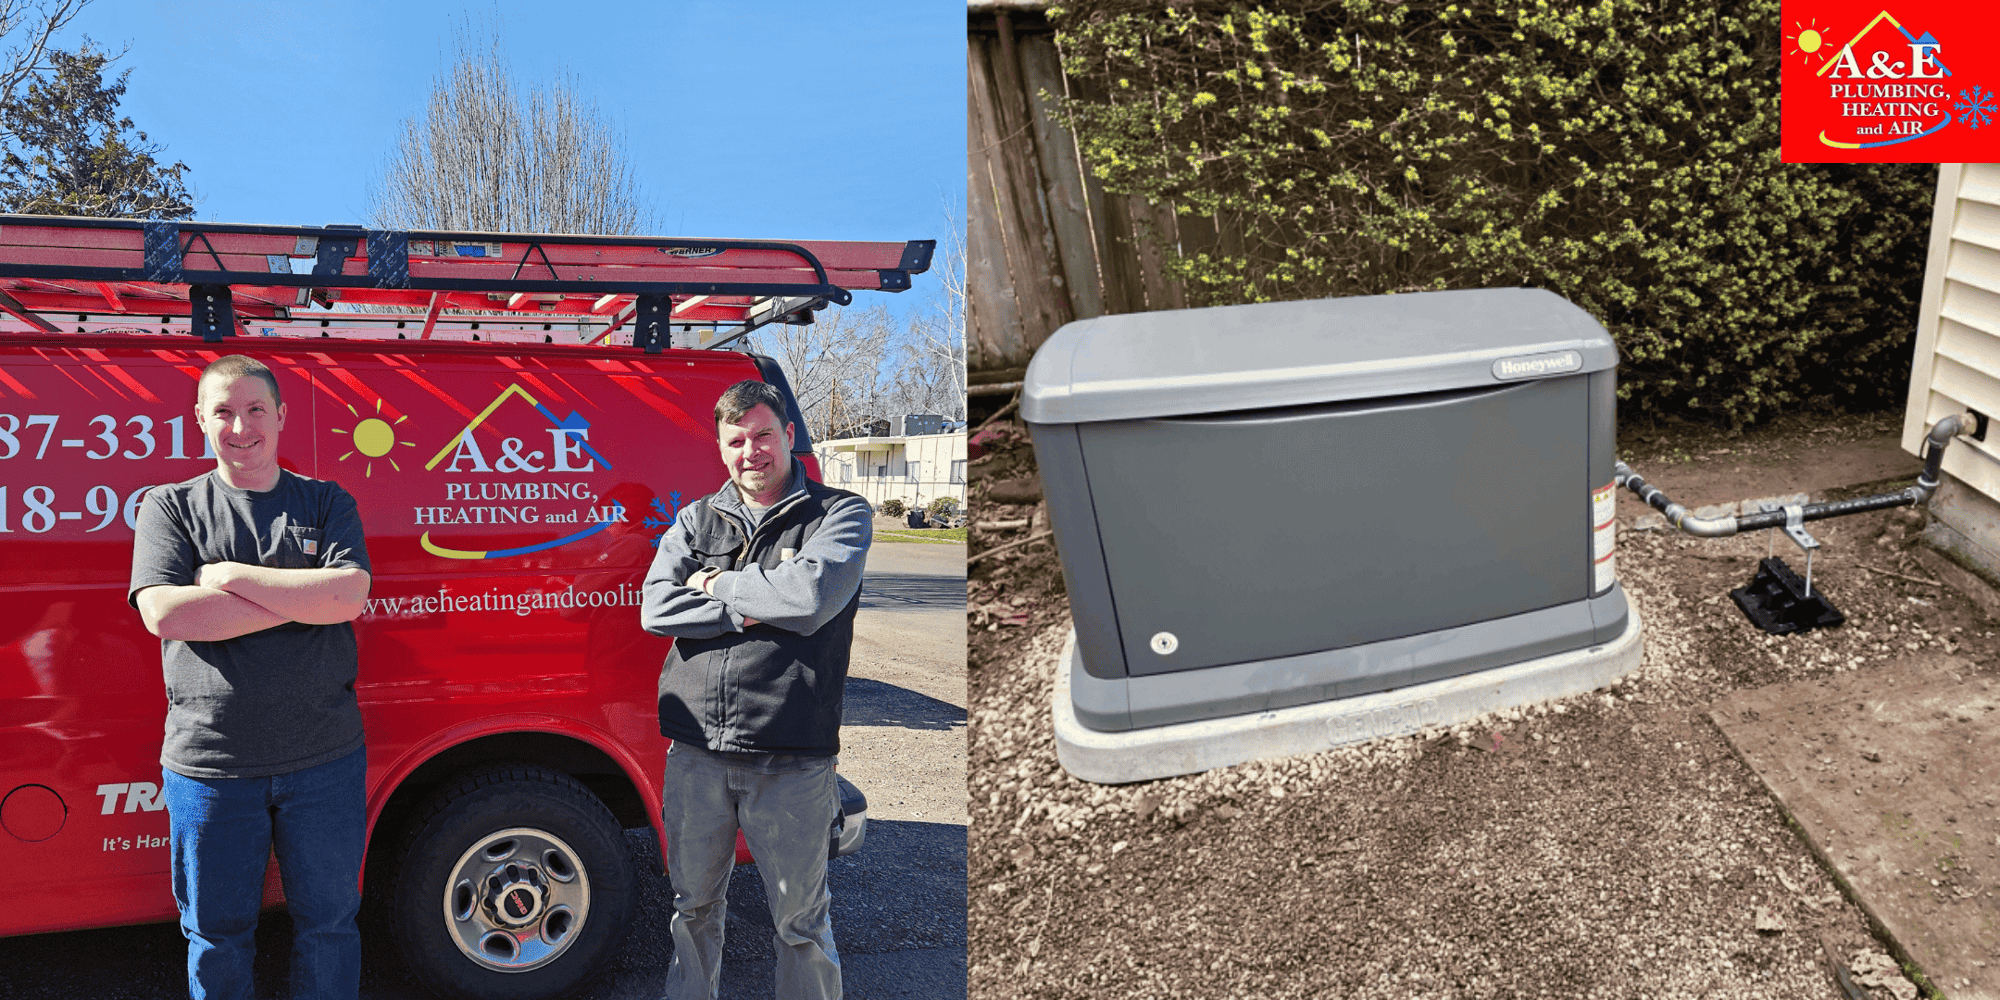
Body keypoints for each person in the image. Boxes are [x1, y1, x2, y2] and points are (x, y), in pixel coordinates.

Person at [129, 354, 372, 1000]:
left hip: (325, 760)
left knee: (329, 926)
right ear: (201, 422)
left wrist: (228, 578)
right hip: (211, 767)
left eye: (255, 408)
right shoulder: (170, 507)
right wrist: (299, 599)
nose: (242, 425)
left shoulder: (325, 502)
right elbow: (165, 612)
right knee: (216, 933)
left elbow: (348, 598)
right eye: (224, 411)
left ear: (281, 416)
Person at [641, 379, 873, 1000]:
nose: (752, 451)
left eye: (763, 435)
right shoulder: (696, 519)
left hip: (791, 752)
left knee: (800, 922)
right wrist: (743, 607)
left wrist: (717, 585)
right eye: (736, 440)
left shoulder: (840, 514)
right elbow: (656, 607)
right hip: (696, 750)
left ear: (789, 437)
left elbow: (809, 598)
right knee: (692, 908)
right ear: (721, 449)